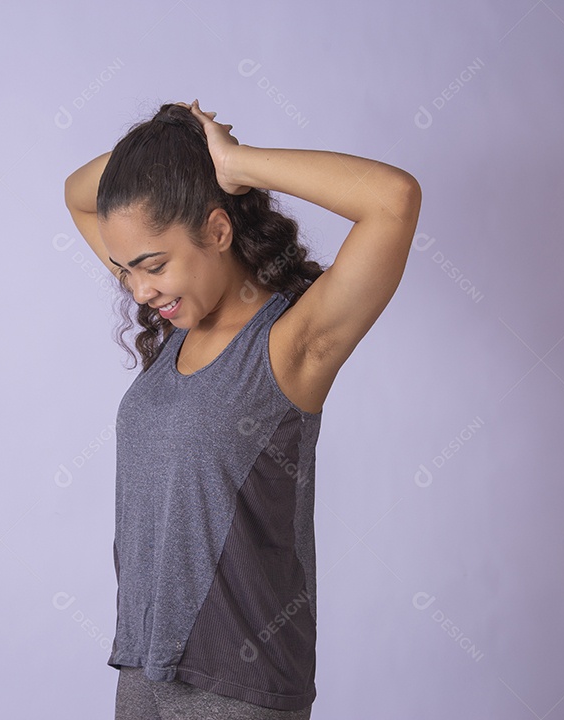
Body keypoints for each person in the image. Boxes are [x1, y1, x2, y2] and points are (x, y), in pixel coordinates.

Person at [64, 99, 421, 720]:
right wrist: (177, 136)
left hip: (235, 685)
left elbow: (392, 199)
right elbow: (78, 193)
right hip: (144, 667)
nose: (140, 291)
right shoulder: (177, 320)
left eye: (153, 265)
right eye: (124, 271)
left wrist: (234, 162)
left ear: (219, 231)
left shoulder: (289, 344)